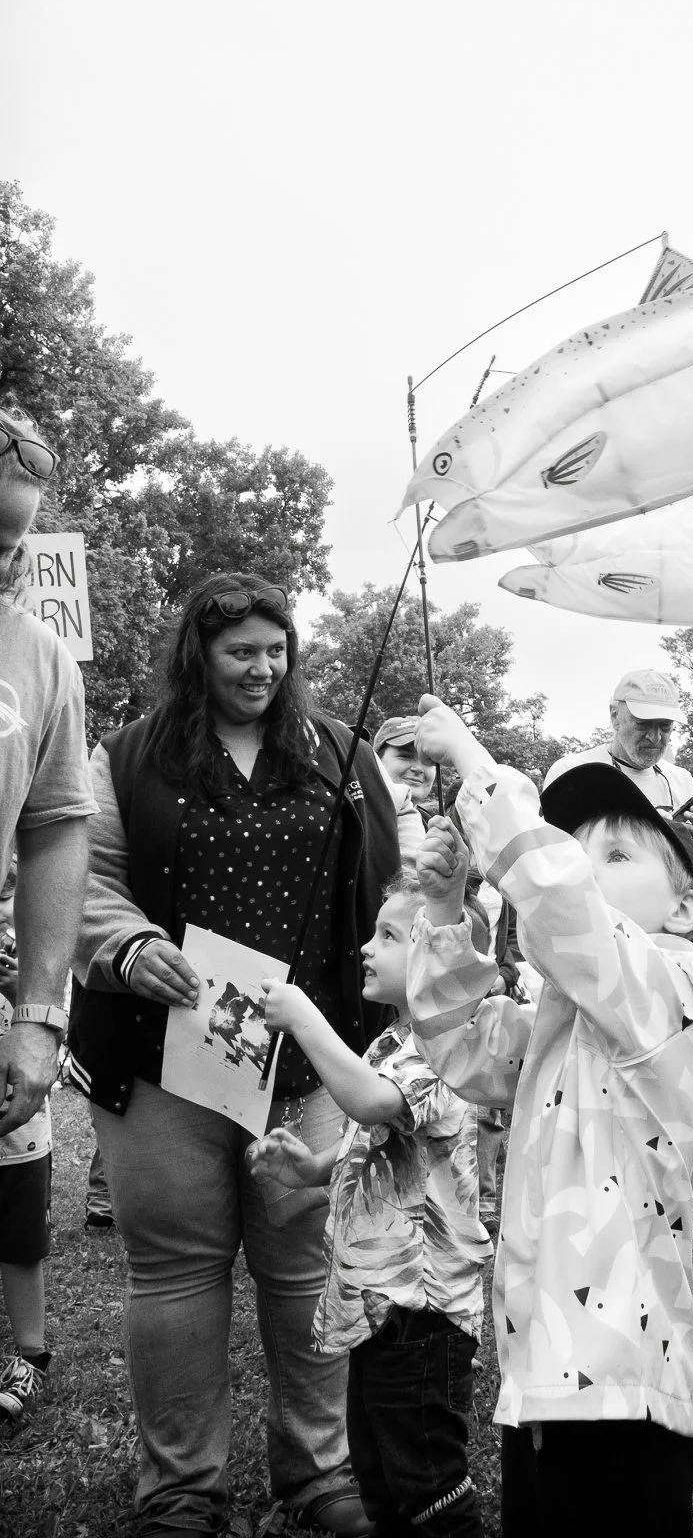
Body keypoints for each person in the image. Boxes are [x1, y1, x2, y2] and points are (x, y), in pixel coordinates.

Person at [66, 572, 399, 1538]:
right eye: (238, 651)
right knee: (174, 1272)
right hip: (164, 1058)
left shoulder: (341, 750)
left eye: (275, 649)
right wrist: (128, 947)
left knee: (308, 1270)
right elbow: (87, 875)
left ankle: (321, 1474)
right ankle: (179, 1491)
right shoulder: (129, 756)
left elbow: (396, 876)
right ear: (197, 656)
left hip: (311, 1058)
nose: (262, 668)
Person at [407, 698, 693, 1538]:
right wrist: (449, 914)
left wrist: (478, 765)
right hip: (547, 1367)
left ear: (685, 908)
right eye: (576, 849)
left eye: (618, 853)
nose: (586, 867)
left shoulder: (680, 990)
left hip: (623, 1380)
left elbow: (563, 905)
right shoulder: (573, 1010)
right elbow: (463, 1045)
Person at [248, 868, 491, 1538]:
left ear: (442, 962)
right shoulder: (392, 1041)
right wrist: (313, 1168)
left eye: (389, 934)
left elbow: (373, 1101)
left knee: (427, 1482)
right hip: (380, 1304)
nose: (366, 946)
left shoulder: (448, 1049)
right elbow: (376, 1139)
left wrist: (303, 1018)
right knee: (379, 1471)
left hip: (423, 1310)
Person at [0, 408, 96, 1423]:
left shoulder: (40, 657)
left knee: (11, 1190)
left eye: (16, 539)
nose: (5, 559)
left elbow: (59, 824)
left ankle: (22, 1346)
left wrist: (39, 1011)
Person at [0, 857, 55, 1425]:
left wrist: (22, 989)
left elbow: (52, 1016)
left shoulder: (34, 944)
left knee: (19, 1242)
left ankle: (31, 1354)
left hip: (18, 1135)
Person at [543, 668, 693, 815]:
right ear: (615, 716)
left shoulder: (682, 781)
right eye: (643, 723)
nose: (655, 737)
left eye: (665, 725)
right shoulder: (571, 774)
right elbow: (553, 842)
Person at [373, 714, 437, 866]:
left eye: (428, 760)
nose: (418, 768)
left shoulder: (435, 827)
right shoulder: (360, 818)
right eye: (405, 756)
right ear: (376, 761)